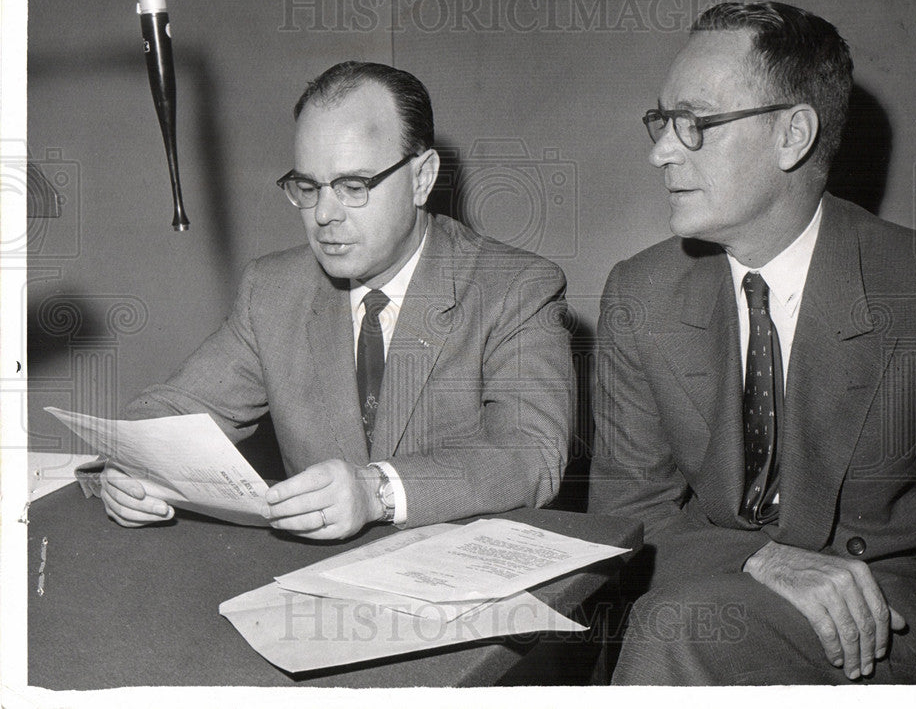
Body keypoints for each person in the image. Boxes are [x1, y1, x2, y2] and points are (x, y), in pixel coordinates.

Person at [588, 1, 916, 685]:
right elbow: (627, 518)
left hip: (896, 614)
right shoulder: (640, 294)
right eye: (661, 121)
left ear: (793, 135)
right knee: (672, 621)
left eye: (695, 123)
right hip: (711, 588)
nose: (660, 150)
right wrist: (759, 559)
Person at [100, 61, 573, 540]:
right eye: (307, 187)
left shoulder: (515, 287)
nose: (324, 214)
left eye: (353, 187)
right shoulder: (273, 290)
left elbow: (532, 452)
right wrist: (132, 467)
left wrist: (375, 492)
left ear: (422, 178)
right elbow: (175, 409)